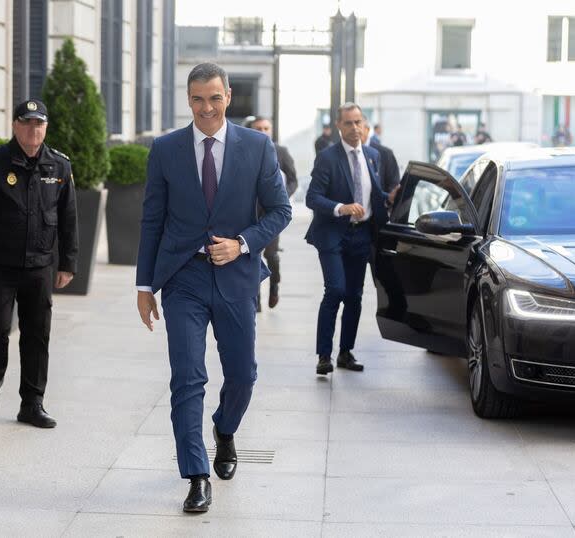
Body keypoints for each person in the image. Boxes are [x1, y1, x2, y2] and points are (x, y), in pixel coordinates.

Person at [136, 63, 291, 513]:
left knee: (243, 375)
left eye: (215, 98)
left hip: (236, 276)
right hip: (183, 277)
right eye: (198, 99)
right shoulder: (165, 149)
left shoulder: (258, 147)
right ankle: (196, 474)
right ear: (188, 99)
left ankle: (225, 430)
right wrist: (145, 285)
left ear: (228, 98)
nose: (207, 107)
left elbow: (280, 211)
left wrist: (242, 244)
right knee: (187, 377)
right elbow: (151, 219)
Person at [0, 99, 78, 429]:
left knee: (37, 334)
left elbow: (68, 218)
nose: (32, 130)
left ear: (45, 128)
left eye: (39, 124)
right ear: (14, 126)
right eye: (26, 123)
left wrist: (68, 262)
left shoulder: (59, 167)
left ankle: (32, 402)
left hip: (39, 265)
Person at [305, 103, 398, 375]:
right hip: (333, 234)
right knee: (335, 290)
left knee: (355, 297)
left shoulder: (372, 156)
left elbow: (374, 194)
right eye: (349, 123)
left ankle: (346, 352)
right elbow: (312, 197)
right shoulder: (327, 157)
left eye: (358, 122)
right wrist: (341, 207)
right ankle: (324, 355)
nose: (355, 128)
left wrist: (389, 198)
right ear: (339, 126)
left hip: (362, 235)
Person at [245, 116, 298, 309]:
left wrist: (282, 196)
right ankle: (256, 299)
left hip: (272, 214)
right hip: (248, 212)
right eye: (258, 128)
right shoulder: (243, 149)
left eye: (266, 128)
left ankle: (275, 284)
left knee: (271, 254)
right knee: (252, 254)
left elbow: (293, 179)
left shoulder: (281, 151)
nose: (262, 131)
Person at [363, 119, 400, 193]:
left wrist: (387, 201)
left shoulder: (385, 153)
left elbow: (394, 184)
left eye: (358, 124)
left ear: (367, 129)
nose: (354, 129)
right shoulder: (343, 154)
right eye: (348, 124)